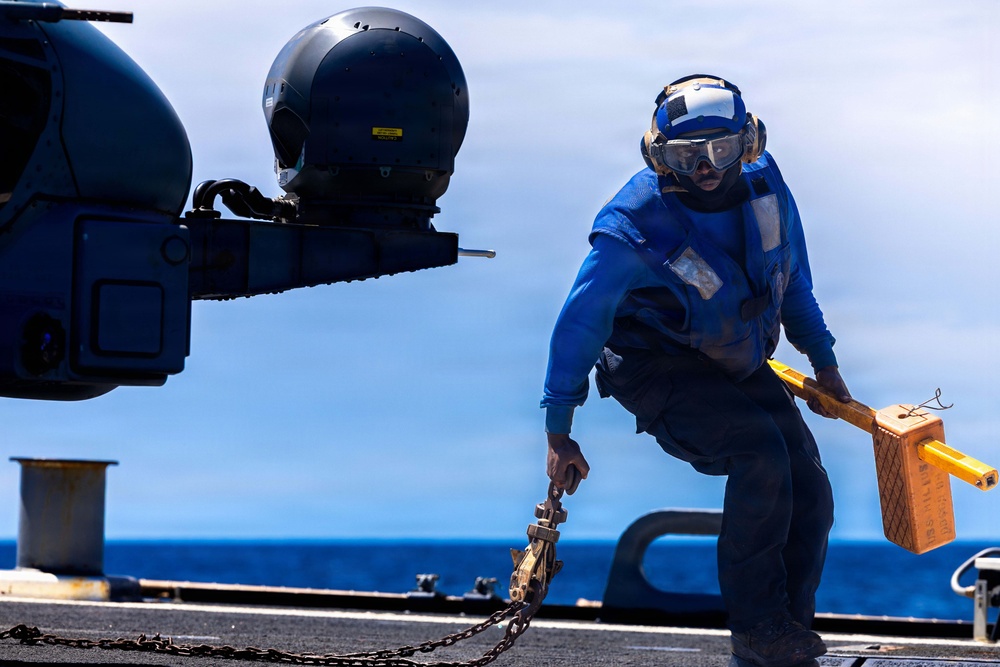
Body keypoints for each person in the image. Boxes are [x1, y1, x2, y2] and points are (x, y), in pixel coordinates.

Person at [541, 75, 852, 667]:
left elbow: (793, 284)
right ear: (658, 155)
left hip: (730, 353)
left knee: (809, 483)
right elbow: (579, 323)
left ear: (749, 142)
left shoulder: (767, 189)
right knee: (760, 455)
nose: (706, 168)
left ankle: (788, 634)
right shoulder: (631, 227)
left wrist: (825, 363)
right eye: (686, 155)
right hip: (653, 363)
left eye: (719, 150)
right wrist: (559, 430)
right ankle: (757, 629)